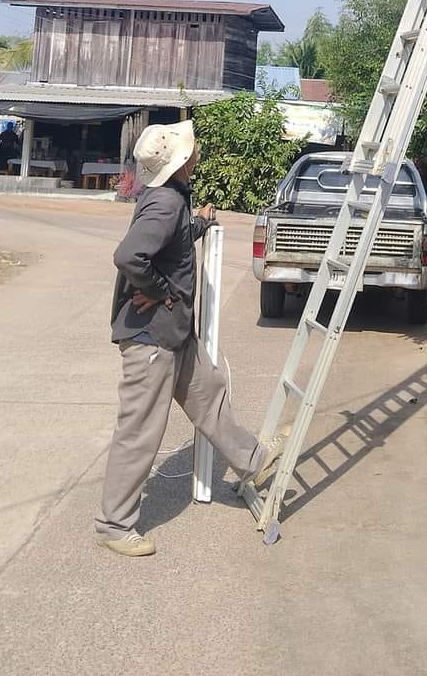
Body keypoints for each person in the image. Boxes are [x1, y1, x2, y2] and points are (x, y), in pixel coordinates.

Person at [95, 119, 279, 556]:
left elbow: (172, 243)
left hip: (172, 334)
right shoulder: (163, 204)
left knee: (208, 392)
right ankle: (115, 526)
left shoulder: (171, 199)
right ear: (180, 162)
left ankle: (252, 459)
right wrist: (162, 293)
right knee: (140, 431)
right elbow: (128, 256)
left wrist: (199, 224)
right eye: (191, 149)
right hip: (152, 339)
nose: (197, 152)